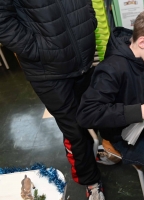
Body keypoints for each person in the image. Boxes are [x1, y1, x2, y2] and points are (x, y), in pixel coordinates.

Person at [76, 5, 144, 200]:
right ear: (143, 42)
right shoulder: (111, 69)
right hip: (123, 134)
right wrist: (138, 112)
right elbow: (86, 114)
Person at [0, 1, 105, 199]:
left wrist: (87, 23)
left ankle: (96, 153)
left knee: (93, 114)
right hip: (47, 72)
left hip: (82, 58)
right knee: (75, 130)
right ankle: (92, 182)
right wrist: (36, 49)